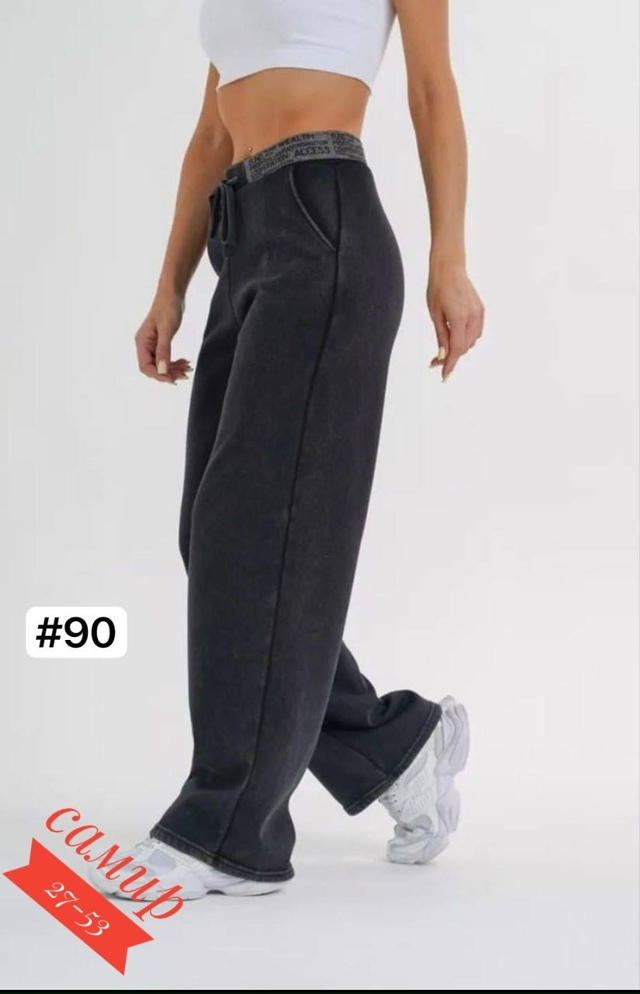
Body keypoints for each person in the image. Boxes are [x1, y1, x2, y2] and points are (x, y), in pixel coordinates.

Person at [92, 0, 484, 900]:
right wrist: (169, 287)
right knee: (215, 535)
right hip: (243, 240)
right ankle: (396, 748)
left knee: (253, 533)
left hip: (324, 221)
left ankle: (231, 828)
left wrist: (450, 258)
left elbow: (432, 90)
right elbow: (210, 135)